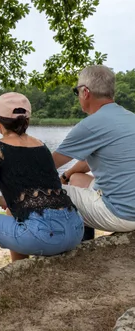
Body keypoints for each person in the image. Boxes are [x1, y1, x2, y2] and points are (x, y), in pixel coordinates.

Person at [0, 92, 84, 279]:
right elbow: (33, 197)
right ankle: (20, 273)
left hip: (43, 236)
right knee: (13, 210)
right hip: (75, 230)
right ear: (27, 121)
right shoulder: (41, 146)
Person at [53, 65, 135, 239]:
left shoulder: (91, 125)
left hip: (123, 214)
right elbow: (85, 162)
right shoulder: (129, 117)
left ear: (85, 92)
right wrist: (67, 175)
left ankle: (72, 247)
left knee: (50, 193)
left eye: (77, 92)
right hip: (130, 204)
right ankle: (85, 242)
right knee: (76, 179)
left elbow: (46, 166)